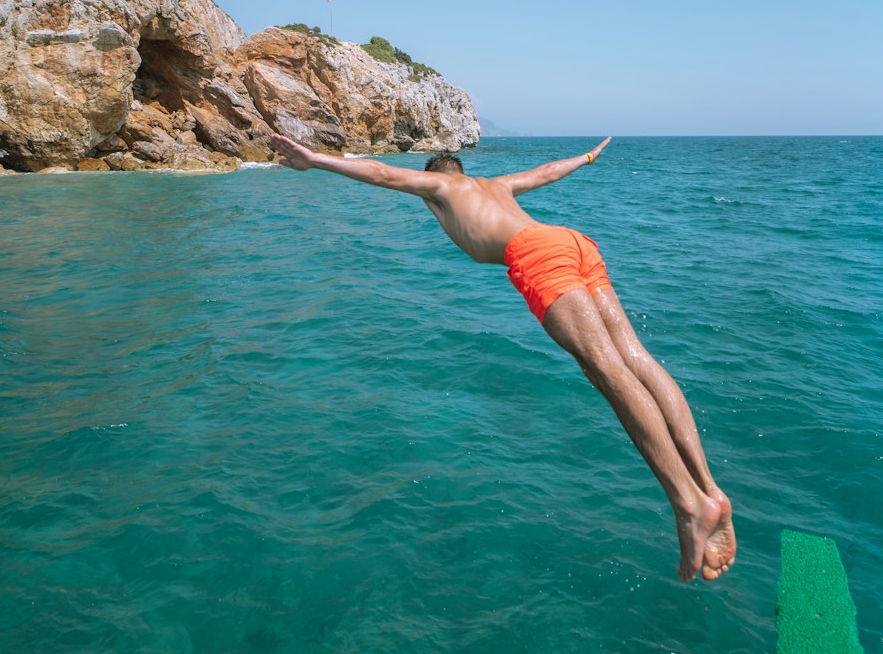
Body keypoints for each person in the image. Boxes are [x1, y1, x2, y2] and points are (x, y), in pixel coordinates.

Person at [269, 132, 736, 583]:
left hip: (535, 254)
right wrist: (588, 158)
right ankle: (708, 488)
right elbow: (548, 172)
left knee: (606, 369)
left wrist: (316, 160)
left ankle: (687, 504)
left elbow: (383, 173)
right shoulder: (495, 185)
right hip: (571, 242)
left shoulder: (439, 186)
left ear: (434, 184)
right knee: (637, 359)